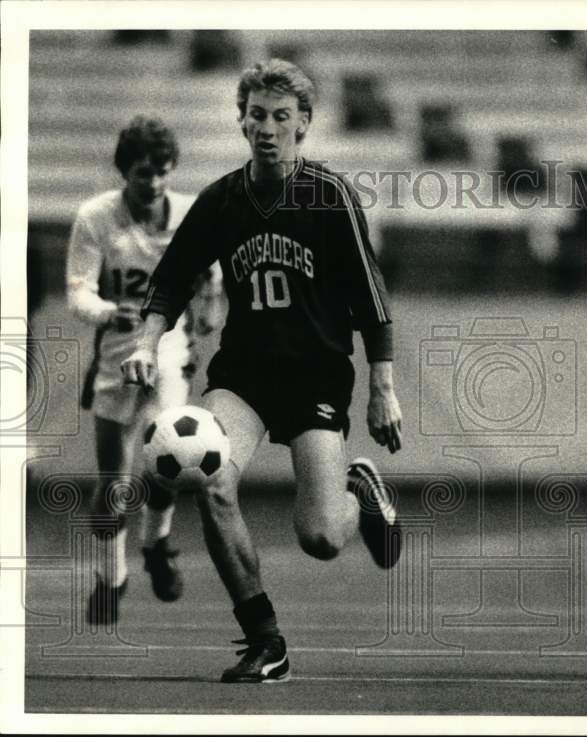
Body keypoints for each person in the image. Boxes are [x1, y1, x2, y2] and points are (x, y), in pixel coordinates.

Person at [121, 58, 403, 683]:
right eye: (256, 116)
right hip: (243, 378)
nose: (267, 128)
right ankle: (264, 640)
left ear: (304, 123)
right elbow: (169, 282)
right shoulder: (223, 200)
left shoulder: (328, 196)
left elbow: (371, 298)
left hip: (316, 378)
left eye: (281, 117)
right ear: (240, 122)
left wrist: (383, 387)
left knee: (324, 539)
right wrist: (145, 341)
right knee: (210, 478)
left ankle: (358, 490)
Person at [65, 115, 223, 625]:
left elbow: (211, 280)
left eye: (161, 171)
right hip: (116, 353)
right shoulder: (96, 217)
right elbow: (78, 290)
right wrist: (111, 311)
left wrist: (208, 304)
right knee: (112, 480)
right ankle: (112, 577)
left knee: (167, 462)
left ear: (171, 170)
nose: (152, 183)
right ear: (123, 172)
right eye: (141, 172)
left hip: (169, 352)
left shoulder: (190, 214)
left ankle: (156, 546)